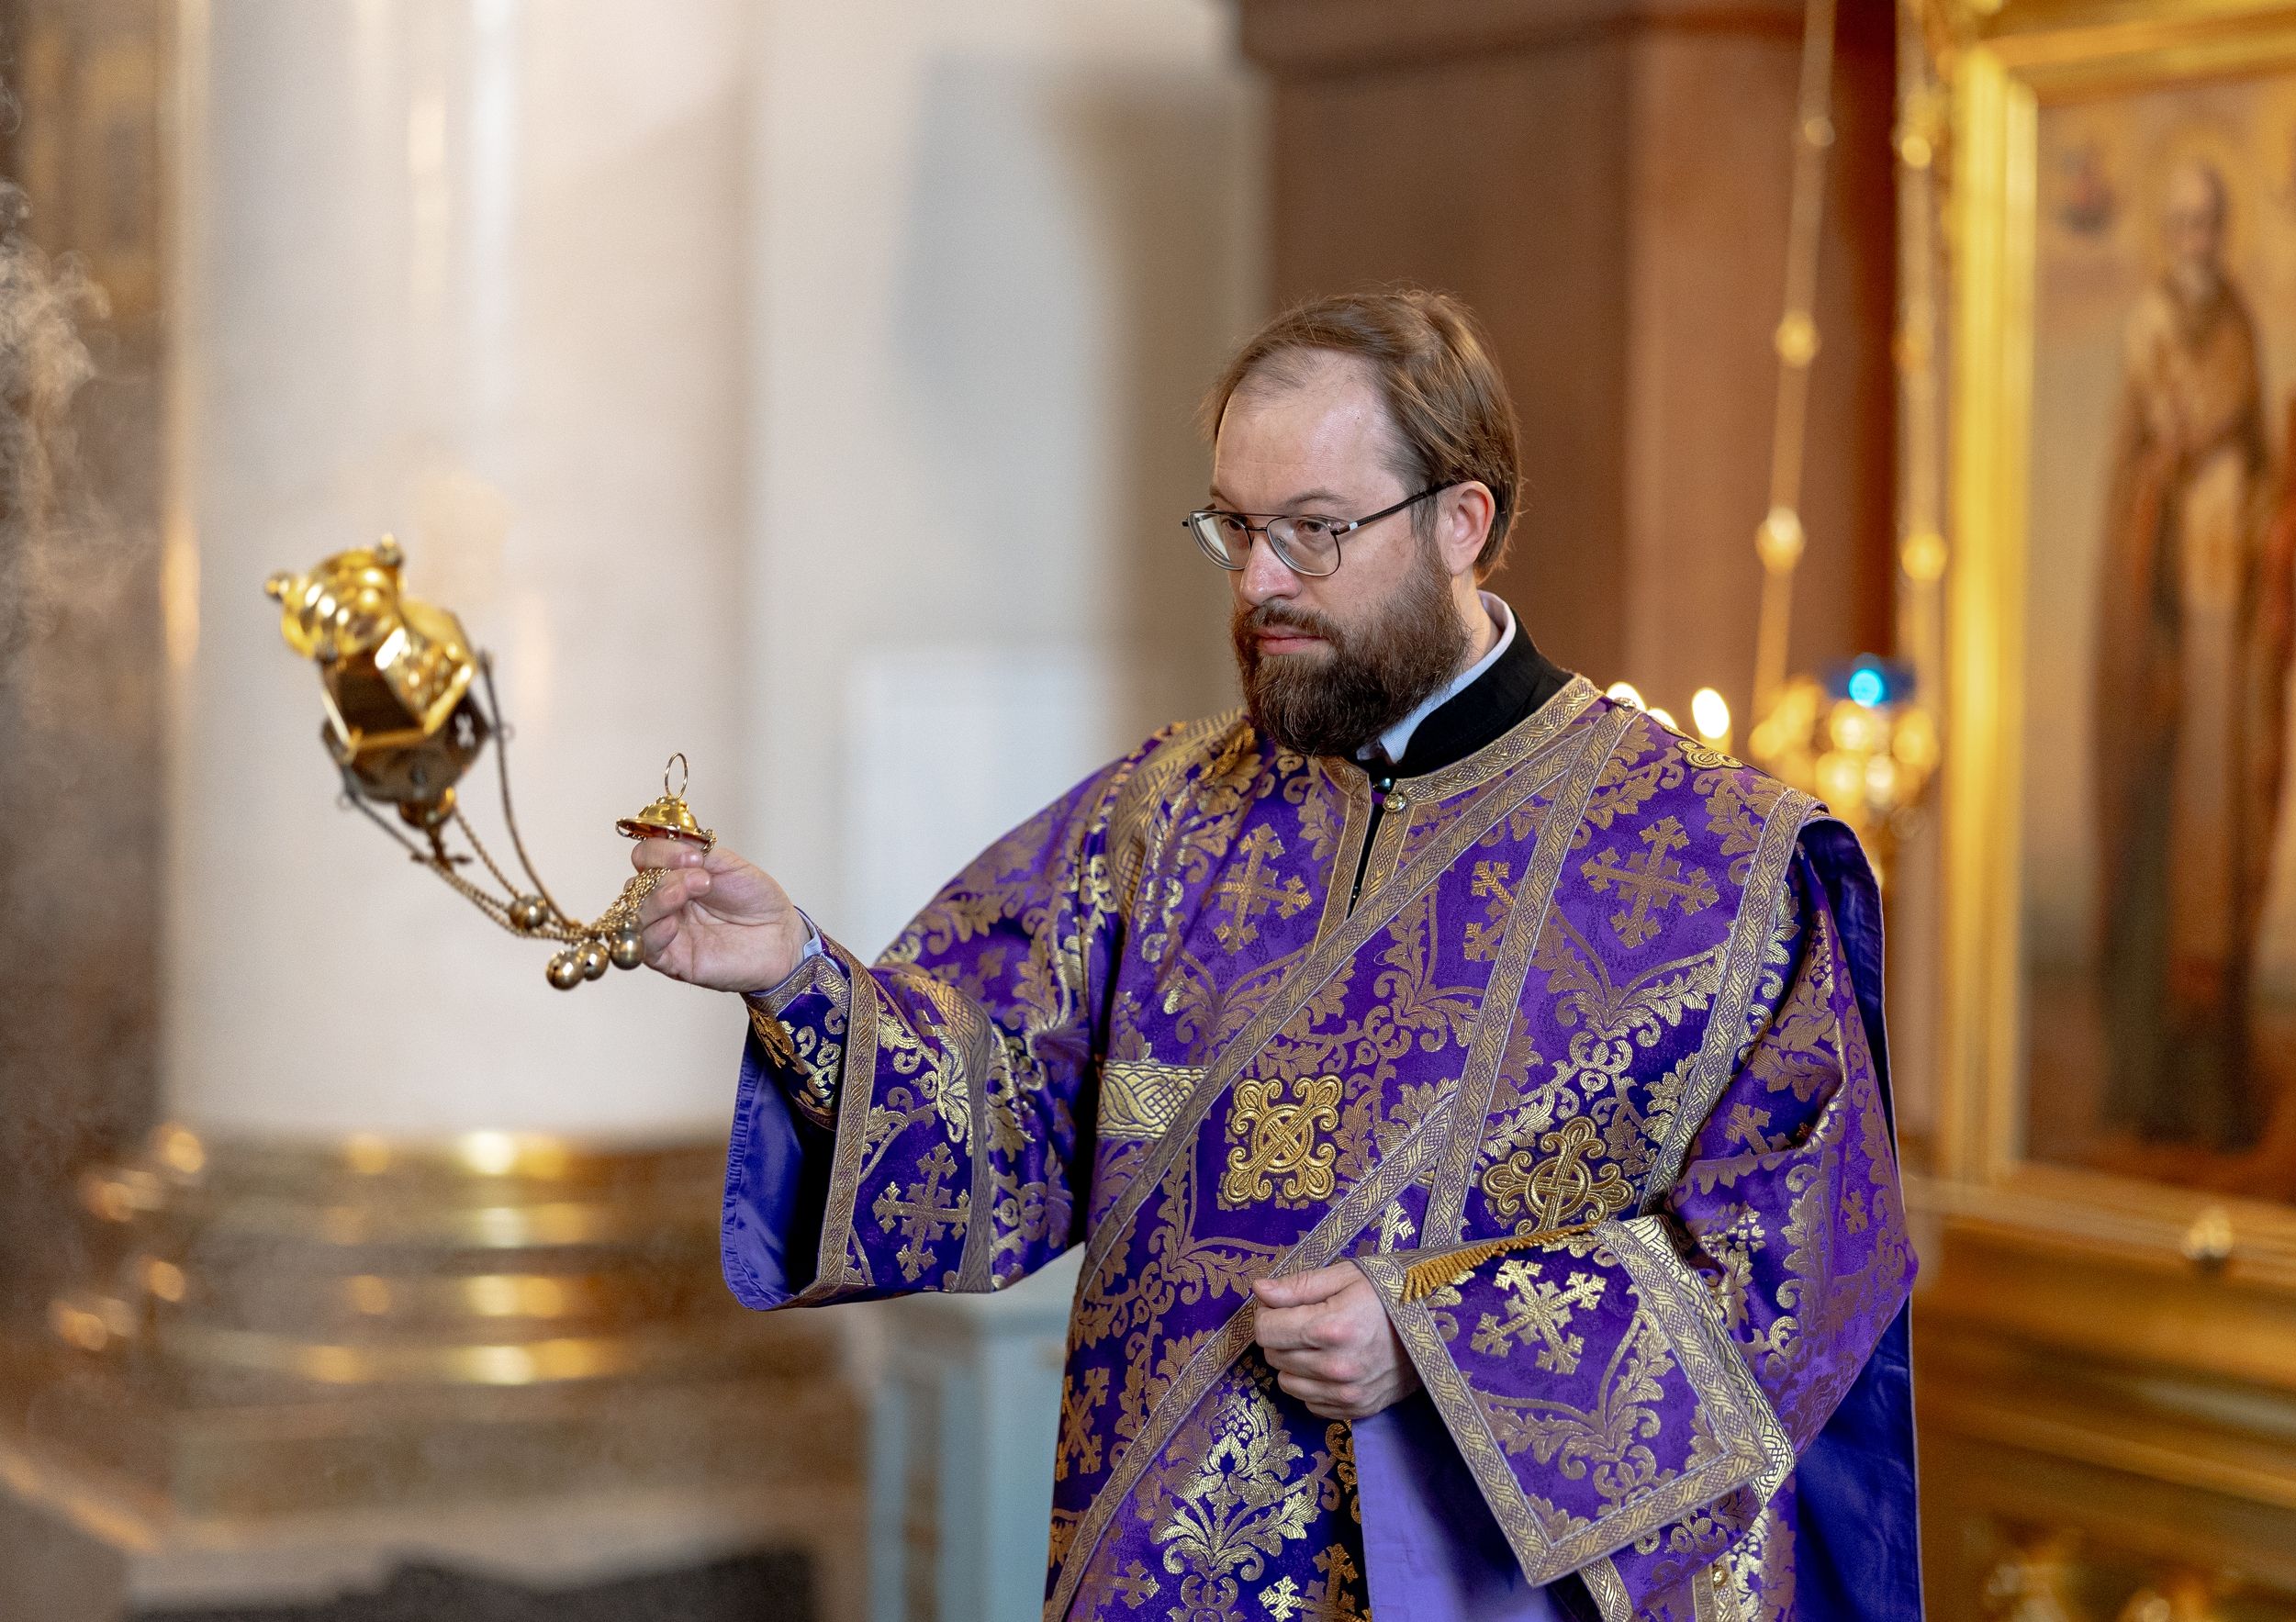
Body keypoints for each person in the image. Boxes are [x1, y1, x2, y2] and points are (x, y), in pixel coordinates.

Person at [633, 288, 1921, 1621]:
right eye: (1234, 528)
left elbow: (1795, 1273)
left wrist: (1439, 1340)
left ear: (1459, 522)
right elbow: (1000, 1127)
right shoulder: (1161, 816)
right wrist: (795, 976)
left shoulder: (1719, 862)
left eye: (1314, 530)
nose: (1257, 581)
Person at [2092, 161, 2295, 1152]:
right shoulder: (2149, 330)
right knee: (2160, 874)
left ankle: (2215, 1095)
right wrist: (2163, 481)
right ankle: (2148, 1081)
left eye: (2207, 222)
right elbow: (2134, 494)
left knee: (2222, 869)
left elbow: (2260, 473)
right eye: (2179, 224)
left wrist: (2271, 526)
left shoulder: (2239, 329)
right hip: (2171, 669)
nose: (2194, 241)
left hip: (2229, 670)